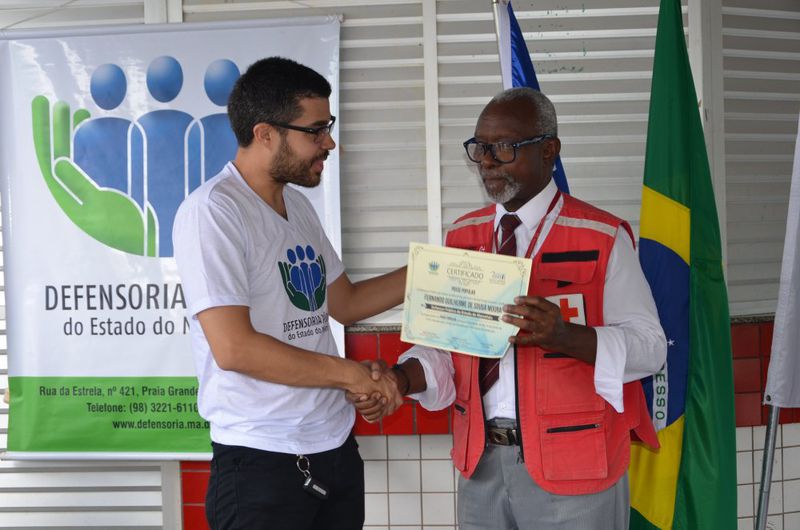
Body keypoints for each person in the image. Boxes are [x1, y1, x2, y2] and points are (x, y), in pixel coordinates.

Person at [352, 87, 667, 529]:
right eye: (480, 149)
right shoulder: (462, 237)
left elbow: (651, 348)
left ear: (548, 150)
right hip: (480, 462)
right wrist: (400, 379)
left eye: (502, 148)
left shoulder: (602, 236)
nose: (486, 162)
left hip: (574, 465)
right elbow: (444, 349)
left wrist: (566, 337)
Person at [173, 56, 405, 530]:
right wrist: (350, 375)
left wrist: (445, 269)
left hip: (334, 448)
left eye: (328, 126)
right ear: (266, 134)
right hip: (263, 464)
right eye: (315, 131)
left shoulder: (297, 206)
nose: (329, 143)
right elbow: (234, 348)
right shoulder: (213, 212)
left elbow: (346, 303)